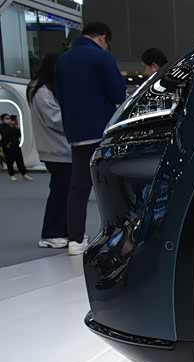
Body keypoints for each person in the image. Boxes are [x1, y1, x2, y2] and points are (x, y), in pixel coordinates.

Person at [56, 21, 126, 256]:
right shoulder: (102, 58)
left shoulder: (63, 60)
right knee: (113, 185)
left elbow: (60, 95)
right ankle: (120, 236)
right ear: (103, 38)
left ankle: (75, 240)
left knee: (78, 188)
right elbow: (117, 93)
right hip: (102, 131)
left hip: (76, 133)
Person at [28, 53, 72, 249]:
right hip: (56, 151)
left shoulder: (47, 90)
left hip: (60, 150)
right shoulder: (42, 92)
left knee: (64, 192)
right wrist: (78, 117)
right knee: (60, 193)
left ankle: (63, 231)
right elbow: (55, 120)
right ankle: (51, 233)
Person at [0, 113, 32, 182]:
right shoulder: (1, 127)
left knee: (20, 160)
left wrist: (17, 127)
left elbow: (19, 135)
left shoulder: (13, 126)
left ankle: (24, 174)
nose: (9, 120)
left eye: (9, 118)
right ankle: (12, 175)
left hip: (16, 145)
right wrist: (11, 127)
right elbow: (6, 134)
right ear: (2, 120)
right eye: (7, 118)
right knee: (10, 162)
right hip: (7, 147)